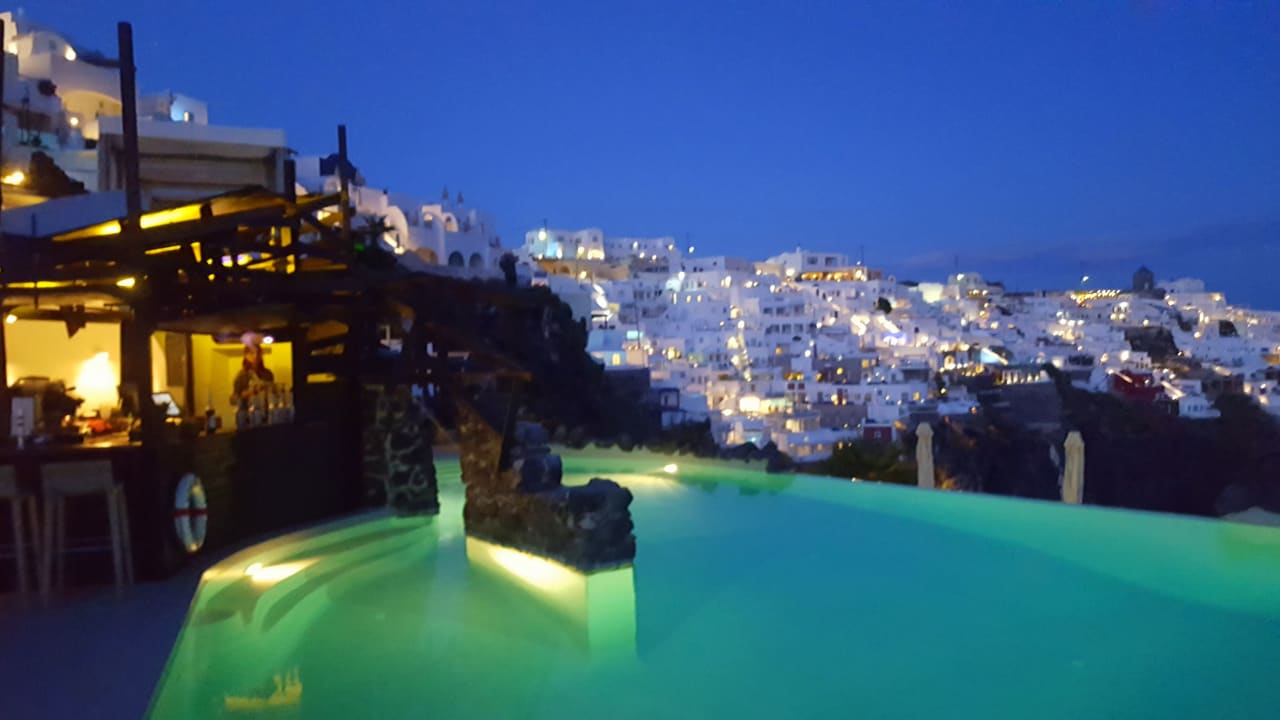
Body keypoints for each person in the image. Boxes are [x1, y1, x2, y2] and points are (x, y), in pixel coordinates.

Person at [230, 338, 275, 410]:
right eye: (252, 353)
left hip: (265, 412)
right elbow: (233, 400)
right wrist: (247, 393)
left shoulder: (268, 374)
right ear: (246, 355)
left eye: (258, 353)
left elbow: (274, 394)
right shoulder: (241, 375)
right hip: (247, 414)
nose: (255, 356)